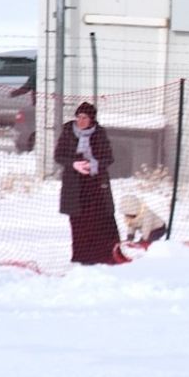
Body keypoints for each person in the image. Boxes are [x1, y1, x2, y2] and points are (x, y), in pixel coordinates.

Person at [54, 101, 121, 265]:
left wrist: (95, 164)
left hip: (96, 183)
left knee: (100, 219)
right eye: (79, 117)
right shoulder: (68, 132)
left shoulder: (99, 133)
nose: (81, 120)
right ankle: (81, 256)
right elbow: (59, 155)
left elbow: (109, 158)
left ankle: (105, 255)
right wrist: (74, 164)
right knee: (78, 221)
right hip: (75, 185)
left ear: (92, 119)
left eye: (85, 117)